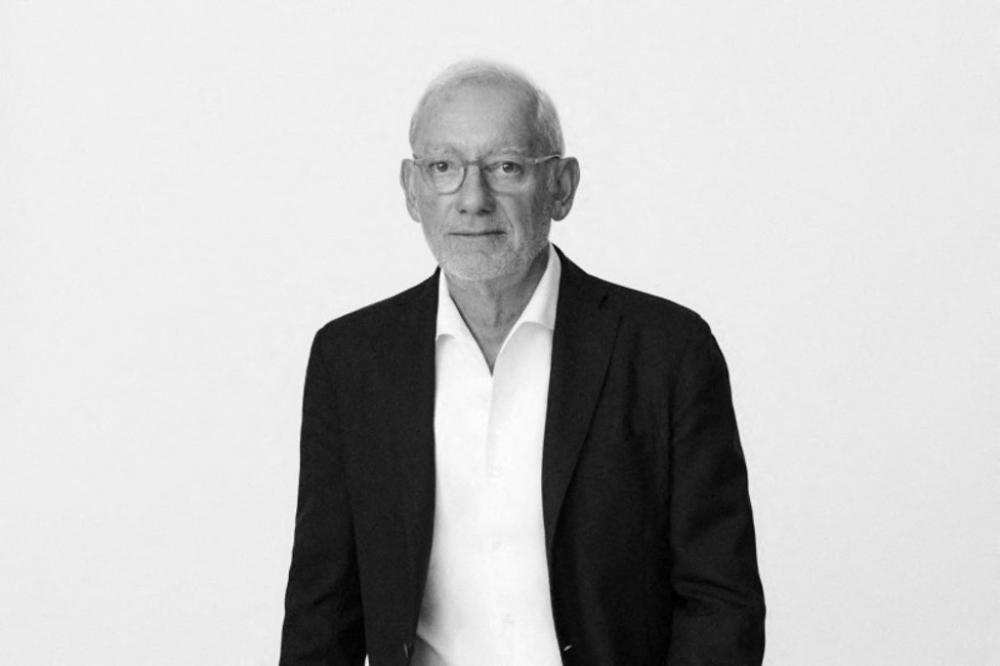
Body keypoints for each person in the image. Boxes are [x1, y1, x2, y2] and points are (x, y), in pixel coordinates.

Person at [280, 60, 765, 666]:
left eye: (506, 167)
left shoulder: (666, 351)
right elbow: (322, 613)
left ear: (561, 186)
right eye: (443, 167)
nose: (472, 200)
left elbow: (719, 601)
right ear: (411, 189)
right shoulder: (352, 360)